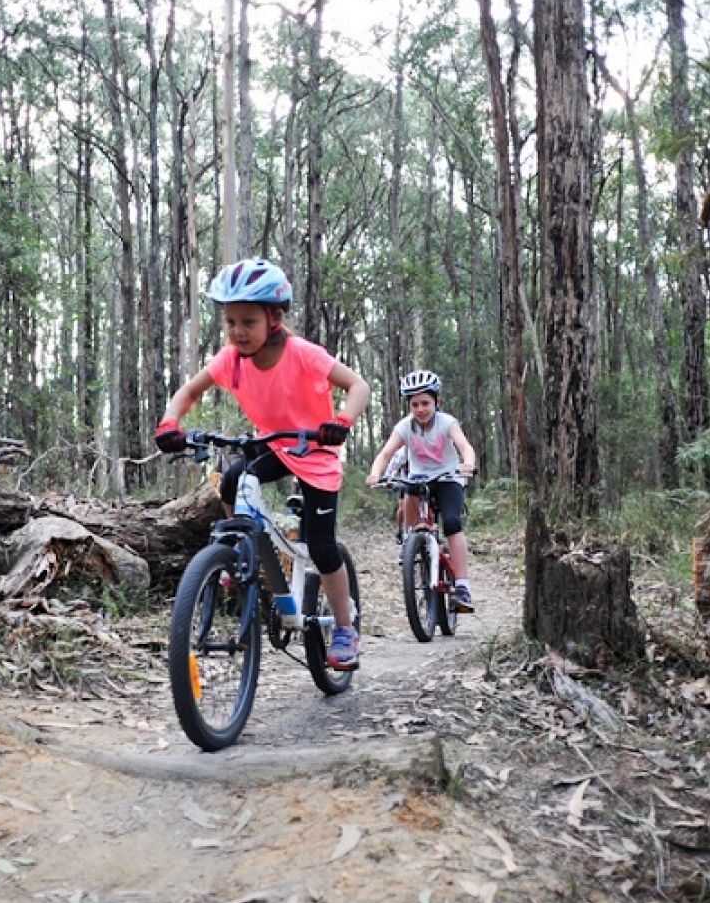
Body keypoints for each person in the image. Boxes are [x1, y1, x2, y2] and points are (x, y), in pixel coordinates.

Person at [154, 258, 372, 669]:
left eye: (247, 322)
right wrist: (170, 422)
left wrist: (341, 421)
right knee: (233, 480)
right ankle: (240, 553)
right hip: (273, 445)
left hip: (316, 451)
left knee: (322, 547)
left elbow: (358, 385)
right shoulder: (230, 360)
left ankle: (345, 628)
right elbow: (188, 391)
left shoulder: (303, 354)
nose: (237, 331)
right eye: (230, 321)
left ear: (274, 319)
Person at [364, 370, 478, 612]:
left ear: (437, 402)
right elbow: (385, 454)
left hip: (448, 478)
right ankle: (417, 553)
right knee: (414, 526)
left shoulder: (447, 422)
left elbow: (464, 446)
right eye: (415, 404)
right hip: (417, 479)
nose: (421, 409)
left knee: (452, 523)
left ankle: (462, 586)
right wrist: (376, 474)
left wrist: (468, 463)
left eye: (426, 403)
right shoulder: (404, 427)